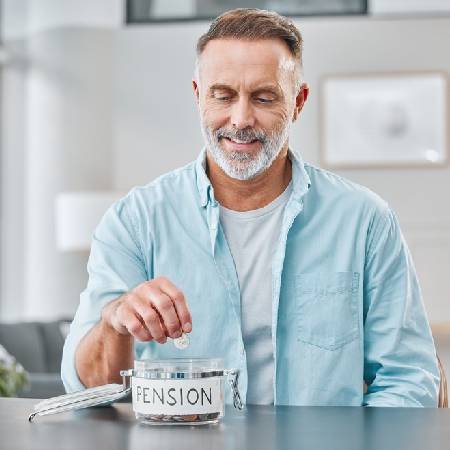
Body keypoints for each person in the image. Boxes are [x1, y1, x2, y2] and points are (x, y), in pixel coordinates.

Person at [62, 8, 439, 407]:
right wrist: (115, 322)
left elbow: (408, 380)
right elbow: (87, 394)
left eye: (263, 97)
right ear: (198, 97)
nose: (241, 119)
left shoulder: (366, 221)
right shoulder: (134, 221)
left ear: (297, 102)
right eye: (223, 95)